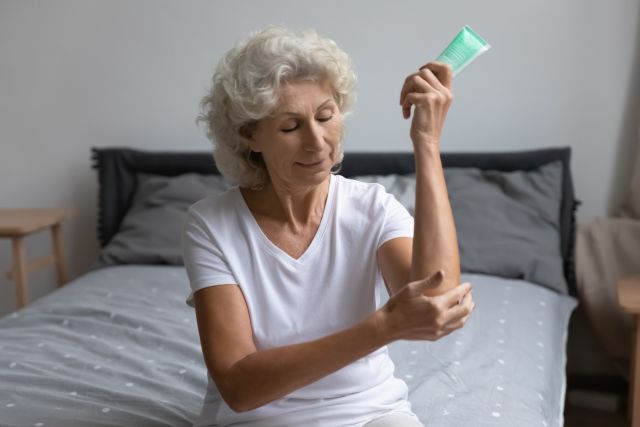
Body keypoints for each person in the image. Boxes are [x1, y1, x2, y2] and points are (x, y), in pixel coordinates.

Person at [182, 26, 475, 427]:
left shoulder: (373, 208)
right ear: (250, 135)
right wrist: (383, 326)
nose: (317, 142)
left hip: (370, 413)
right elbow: (239, 386)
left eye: (325, 115)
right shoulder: (211, 225)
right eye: (290, 127)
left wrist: (426, 142)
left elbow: (437, 301)